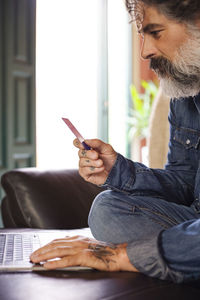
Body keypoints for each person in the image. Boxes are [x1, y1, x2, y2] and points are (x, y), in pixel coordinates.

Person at [30, 0, 200, 283]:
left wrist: (118, 256)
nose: (145, 51)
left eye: (155, 32)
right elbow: (184, 184)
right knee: (107, 209)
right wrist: (118, 171)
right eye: (141, 36)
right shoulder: (186, 90)